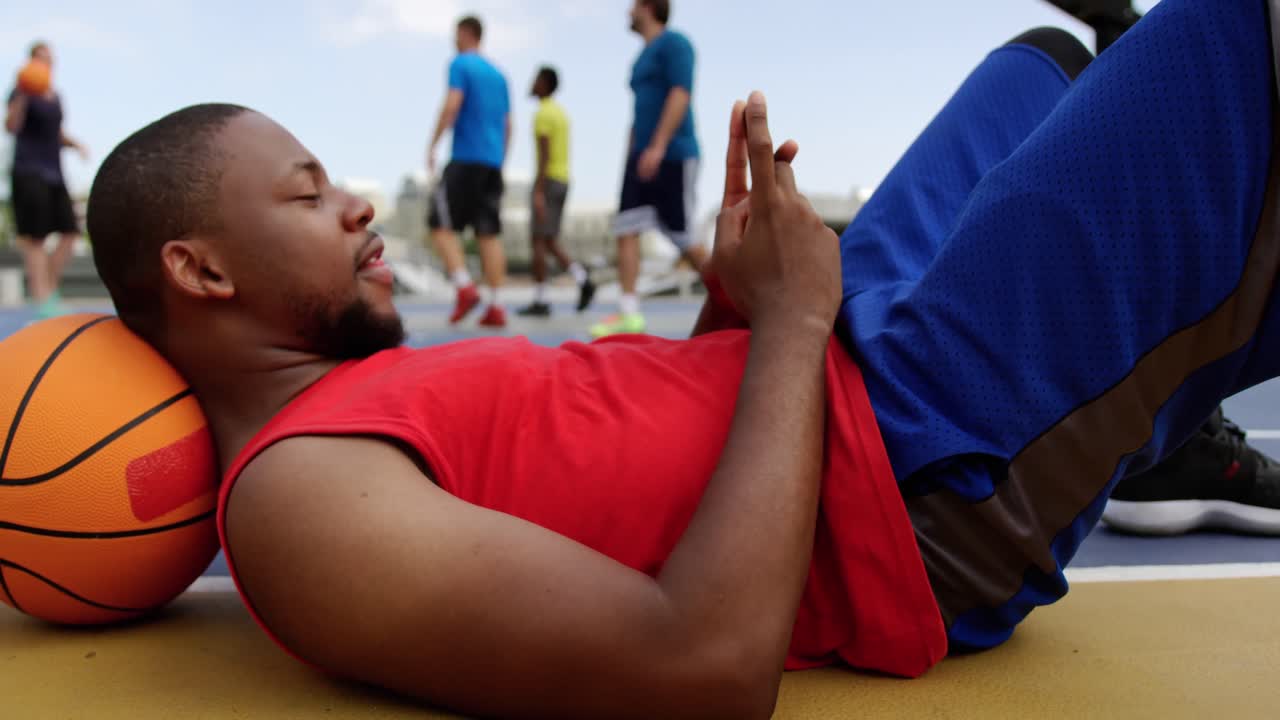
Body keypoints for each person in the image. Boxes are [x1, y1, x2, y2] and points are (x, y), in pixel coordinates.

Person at [82, 1, 1279, 716]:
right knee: (1233, 34)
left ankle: (1161, 427)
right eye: (306, 195)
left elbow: (637, 466)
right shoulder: (292, 498)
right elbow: (702, 671)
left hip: (842, 370)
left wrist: (733, 311)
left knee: (1041, 63)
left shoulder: (355, 405)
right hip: (910, 467)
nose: (354, 206)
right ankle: (1149, 411)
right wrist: (794, 325)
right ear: (200, 272)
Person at [589, 0, 703, 337]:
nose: (627, 11)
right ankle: (629, 313)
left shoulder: (676, 44)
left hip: (672, 154)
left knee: (685, 238)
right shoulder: (641, 57)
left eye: (633, 5)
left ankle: (735, 300)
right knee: (626, 228)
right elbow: (639, 111)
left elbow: (681, 94)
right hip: (639, 156)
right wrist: (632, 153)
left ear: (649, 7)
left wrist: (658, 146)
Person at [424, 16, 511, 328]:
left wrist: (433, 144)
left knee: (438, 222)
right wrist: (501, 159)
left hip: (466, 158)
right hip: (492, 161)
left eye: (455, 34)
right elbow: (508, 124)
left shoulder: (460, 64)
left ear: (466, 33)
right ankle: (497, 306)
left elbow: (452, 105)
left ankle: (464, 287)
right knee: (489, 233)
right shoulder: (499, 75)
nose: (453, 40)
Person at [4, 41, 88, 319]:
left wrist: (75, 144)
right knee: (36, 238)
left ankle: (47, 287)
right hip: (28, 170)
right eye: (40, 58)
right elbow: (12, 126)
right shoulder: (21, 90)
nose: (45, 63)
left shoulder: (56, 96)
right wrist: (23, 97)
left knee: (70, 230)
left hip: (54, 172)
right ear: (30, 62)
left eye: (49, 59)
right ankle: (43, 299)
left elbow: (56, 133)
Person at [516, 66, 595, 318]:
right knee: (549, 240)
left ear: (544, 84)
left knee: (538, 241)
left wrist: (538, 191)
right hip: (562, 179)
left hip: (548, 180)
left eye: (536, 79)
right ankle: (583, 280)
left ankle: (541, 300)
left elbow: (544, 154)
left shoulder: (543, 114)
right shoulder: (560, 113)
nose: (532, 83)